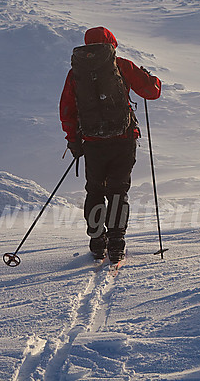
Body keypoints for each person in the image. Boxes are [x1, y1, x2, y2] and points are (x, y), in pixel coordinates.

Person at [59, 27, 162, 263]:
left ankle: (97, 241)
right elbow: (151, 91)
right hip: (123, 140)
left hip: (93, 143)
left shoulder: (76, 73)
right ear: (111, 43)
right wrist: (151, 77)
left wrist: (73, 139)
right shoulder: (121, 65)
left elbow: (67, 109)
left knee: (95, 190)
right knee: (118, 190)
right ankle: (116, 242)